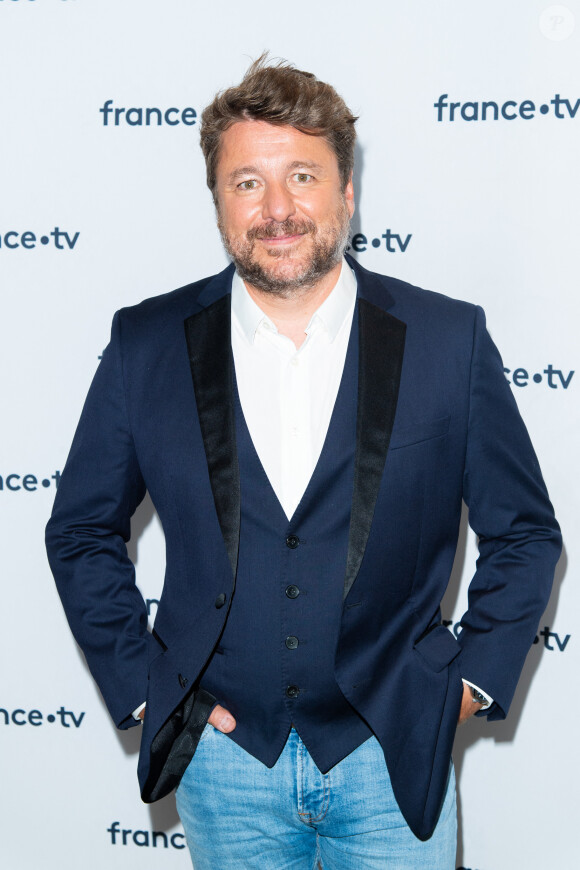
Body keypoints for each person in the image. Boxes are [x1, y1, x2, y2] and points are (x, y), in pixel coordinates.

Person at [46, 56, 561, 869]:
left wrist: (466, 684)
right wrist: (149, 686)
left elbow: (526, 533)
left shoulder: (446, 340)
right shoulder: (146, 345)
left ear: (347, 192)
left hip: (392, 756)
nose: (278, 209)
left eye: (302, 177)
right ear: (218, 203)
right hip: (224, 766)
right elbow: (79, 531)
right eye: (247, 182)